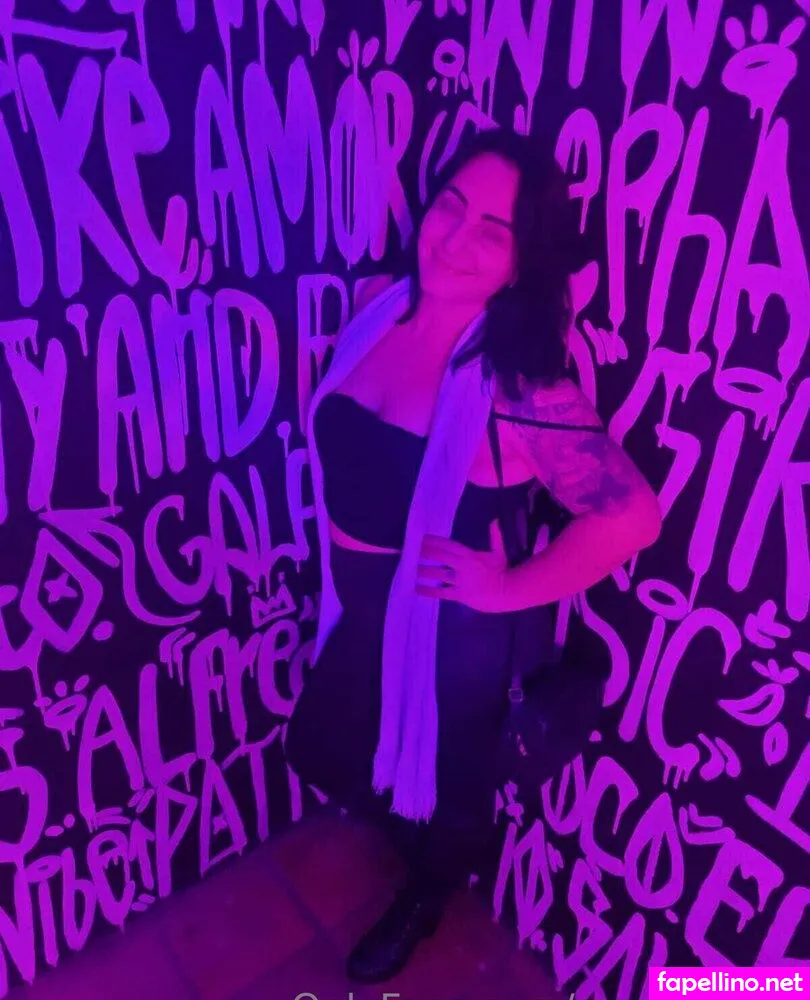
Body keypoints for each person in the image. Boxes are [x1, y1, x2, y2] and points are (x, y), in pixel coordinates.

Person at [283, 130, 662, 984]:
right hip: (361, 604)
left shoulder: (519, 388)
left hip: (449, 633)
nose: (455, 236)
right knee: (334, 748)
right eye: (450, 205)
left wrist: (505, 591)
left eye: (494, 229)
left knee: (451, 787)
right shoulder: (380, 306)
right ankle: (408, 838)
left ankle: (424, 901)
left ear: (524, 262)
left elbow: (633, 517)